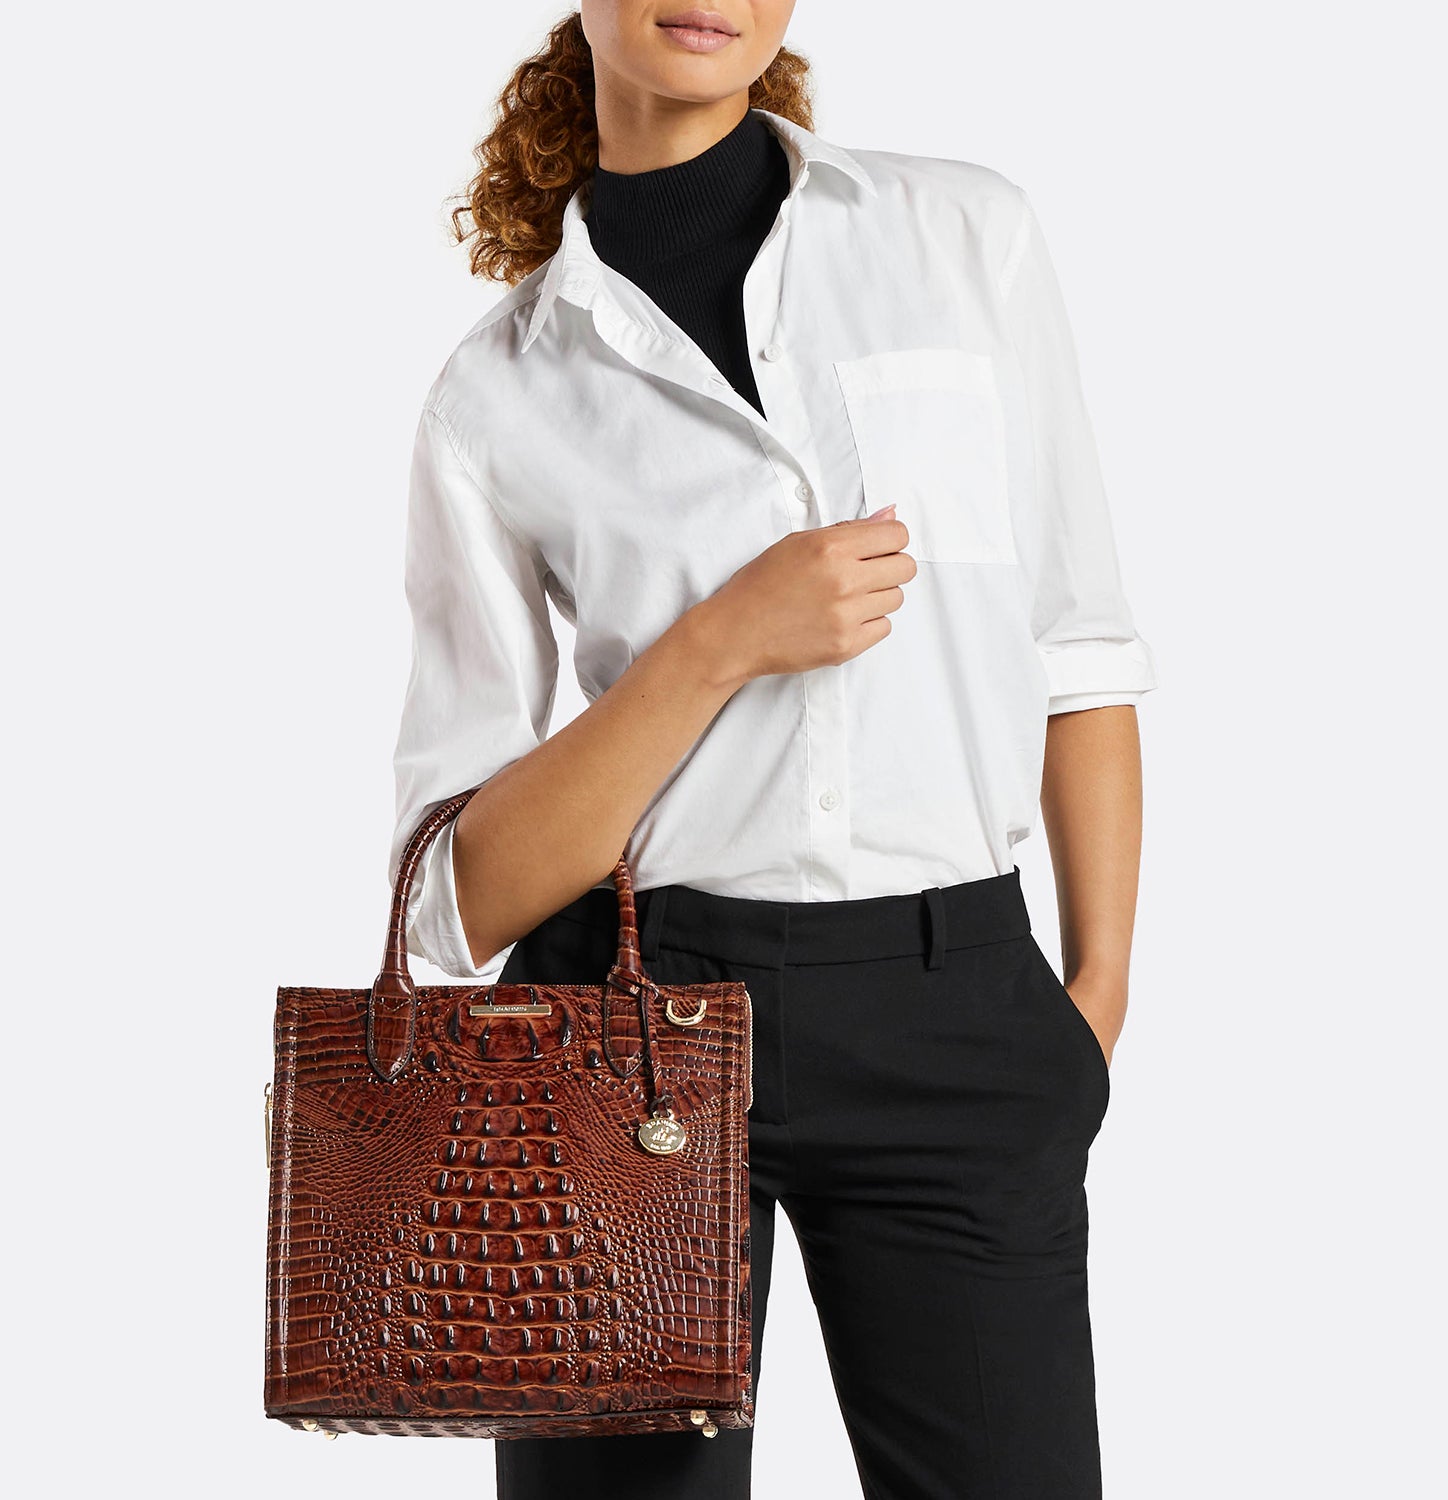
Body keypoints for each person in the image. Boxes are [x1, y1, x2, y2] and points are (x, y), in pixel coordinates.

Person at [387, 5, 1157, 1496]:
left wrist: (1095, 999)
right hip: (620, 1027)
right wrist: (717, 643)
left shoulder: (964, 237)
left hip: (955, 1006)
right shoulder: (500, 393)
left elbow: (1078, 642)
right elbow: (458, 896)